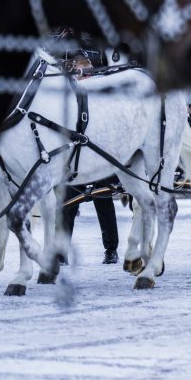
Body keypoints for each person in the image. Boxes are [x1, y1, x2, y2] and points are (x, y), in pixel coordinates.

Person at [55, 30, 121, 264]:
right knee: (66, 202)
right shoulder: (60, 38)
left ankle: (111, 249)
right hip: (73, 148)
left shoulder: (96, 42)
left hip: (97, 142)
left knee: (104, 200)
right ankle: (61, 252)